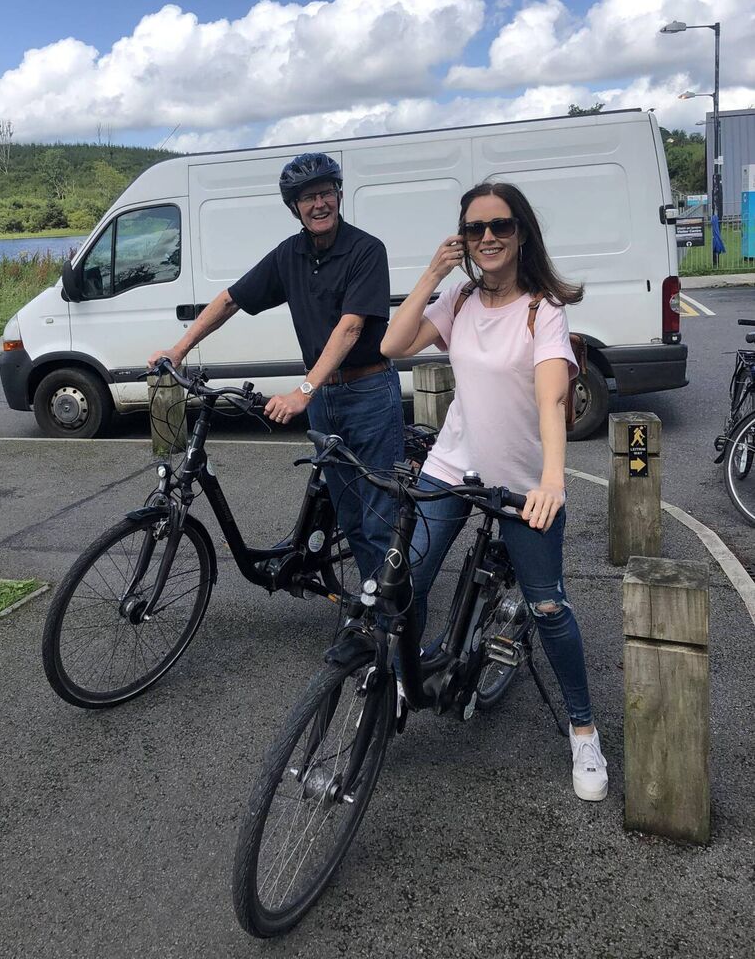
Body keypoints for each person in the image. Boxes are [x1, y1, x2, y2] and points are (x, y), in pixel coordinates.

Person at [381, 181, 608, 802]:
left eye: (500, 227)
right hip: (454, 465)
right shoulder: (456, 300)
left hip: (524, 481)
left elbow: (550, 396)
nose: (488, 238)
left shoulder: (542, 310)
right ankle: (403, 682)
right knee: (405, 583)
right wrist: (432, 271)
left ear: (521, 234)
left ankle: (583, 728)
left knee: (548, 607)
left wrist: (554, 481)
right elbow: (391, 345)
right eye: (475, 228)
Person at [148, 152, 404, 580]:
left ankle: (393, 625)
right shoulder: (290, 255)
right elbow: (231, 299)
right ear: (294, 208)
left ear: (339, 196)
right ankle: (370, 602)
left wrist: (303, 391)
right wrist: (179, 349)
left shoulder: (366, 250)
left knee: (379, 518)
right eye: (307, 198)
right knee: (351, 516)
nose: (318, 204)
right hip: (327, 399)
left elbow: (351, 328)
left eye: (325, 193)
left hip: (369, 393)